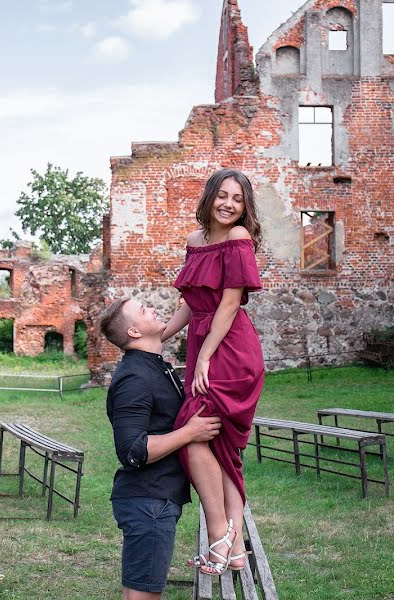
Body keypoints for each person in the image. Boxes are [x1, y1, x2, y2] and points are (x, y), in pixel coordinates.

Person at [161, 168, 264, 576]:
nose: (228, 204)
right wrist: (160, 335)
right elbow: (194, 301)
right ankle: (235, 547)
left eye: (237, 199)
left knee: (193, 433)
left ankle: (219, 531)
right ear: (209, 198)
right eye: (222, 196)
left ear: (244, 207)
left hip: (230, 349)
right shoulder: (194, 241)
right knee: (221, 451)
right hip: (203, 343)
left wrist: (203, 357)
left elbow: (228, 304)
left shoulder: (239, 240)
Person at [100, 297, 223, 600]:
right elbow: (132, 450)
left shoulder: (150, 364)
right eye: (143, 310)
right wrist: (189, 433)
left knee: (138, 592)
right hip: (148, 501)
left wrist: (198, 296)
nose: (153, 309)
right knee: (143, 595)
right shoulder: (134, 377)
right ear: (133, 333)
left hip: (154, 499)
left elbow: (170, 324)